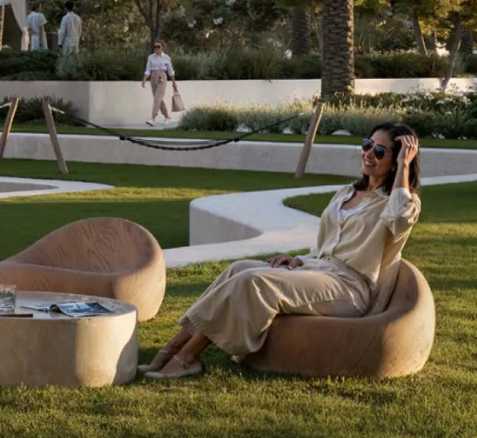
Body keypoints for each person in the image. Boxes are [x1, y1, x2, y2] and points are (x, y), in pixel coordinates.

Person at [144, 124, 421, 380]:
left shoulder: (401, 202)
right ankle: (172, 347)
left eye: (380, 150)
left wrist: (402, 169)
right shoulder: (347, 192)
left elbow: (398, 220)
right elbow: (327, 246)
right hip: (319, 271)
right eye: (367, 144)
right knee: (239, 269)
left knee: (253, 281)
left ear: (397, 160)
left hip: (349, 288)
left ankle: (188, 356)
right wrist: (301, 260)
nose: (369, 153)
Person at [143, 41, 176, 127]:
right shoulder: (151, 57)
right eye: (155, 47)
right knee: (159, 99)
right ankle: (167, 117)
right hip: (153, 76)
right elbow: (148, 70)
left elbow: (170, 71)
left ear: (162, 48)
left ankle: (153, 118)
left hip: (162, 76)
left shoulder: (166, 58)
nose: (157, 48)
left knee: (157, 98)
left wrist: (173, 83)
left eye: (158, 47)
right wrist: (144, 80)